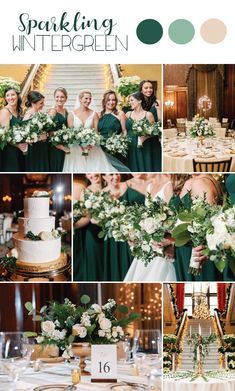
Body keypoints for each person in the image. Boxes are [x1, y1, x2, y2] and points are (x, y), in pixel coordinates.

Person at [124, 174, 176, 281]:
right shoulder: (149, 186)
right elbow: (145, 215)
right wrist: (137, 234)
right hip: (148, 243)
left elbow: (174, 218)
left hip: (162, 242)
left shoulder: (168, 185)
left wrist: (171, 243)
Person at [174, 174, 223, 281]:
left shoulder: (201, 183)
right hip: (183, 252)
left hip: (196, 254)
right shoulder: (191, 181)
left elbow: (205, 224)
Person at [63, 90, 118, 172]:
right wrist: (81, 145)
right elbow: (70, 134)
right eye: (86, 98)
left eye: (90, 99)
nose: (88, 101)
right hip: (76, 149)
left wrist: (90, 144)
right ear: (80, 99)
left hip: (91, 148)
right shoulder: (71, 115)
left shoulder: (94, 114)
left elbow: (96, 133)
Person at [101, 173, 134, 281]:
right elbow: (98, 218)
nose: (115, 177)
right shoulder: (101, 194)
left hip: (130, 232)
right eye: (111, 174)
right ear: (104, 177)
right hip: (112, 236)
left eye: (117, 173)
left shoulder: (128, 185)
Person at [73, 174, 104, 281]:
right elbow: (85, 215)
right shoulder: (85, 192)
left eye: (95, 172)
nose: (93, 175)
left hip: (112, 232)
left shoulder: (111, 187)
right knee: (96, 262)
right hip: (93, 232)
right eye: (89, 173)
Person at [126, 92, 161, 172]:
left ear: (139, 101)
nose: (130, 102)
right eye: (129, 101)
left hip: (144, 145)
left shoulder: (148, 115)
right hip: (130, 146)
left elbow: (155, 132)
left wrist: (144, 138)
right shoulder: (128, 114)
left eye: (132, 100)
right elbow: (124, 130)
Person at [0, 87, 26, 172]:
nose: (10, 98)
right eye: (7, 95)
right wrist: (18, 145)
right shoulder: (5, 111)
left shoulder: (19, 111)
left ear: (18, 96)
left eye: (13, 95)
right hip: (9, 151)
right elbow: (5, 135)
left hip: (19, 149)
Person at [23, 91, 50, 172]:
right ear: (33, 103)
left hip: (42, 148)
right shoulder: (28, 116)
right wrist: (42, 136)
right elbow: (26, 137)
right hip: (34, 150)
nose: (43, 105)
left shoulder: (39, 114)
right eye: (41, 103)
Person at [48, 87, 69, 172]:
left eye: (62, 97)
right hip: (55, 147)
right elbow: (49, 133)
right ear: (54, 97)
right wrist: (61, 147)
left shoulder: (65, 110)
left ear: (66, 98)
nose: (59, 99)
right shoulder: (52, 111)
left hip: (65, 144)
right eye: (57, 97)